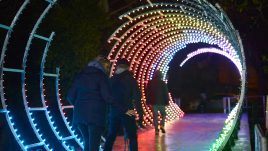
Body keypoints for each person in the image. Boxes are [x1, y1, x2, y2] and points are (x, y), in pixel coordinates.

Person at [67, 56, 118, 151]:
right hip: (95, 116)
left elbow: (70, 96)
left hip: (80, 116)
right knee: (94, 145)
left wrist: (79, 106)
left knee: (87, 142)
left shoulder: (80, 76)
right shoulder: (101, 76)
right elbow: (107, 97)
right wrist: (119, 105)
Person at [104, 58, 143, 151]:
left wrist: (107, 113)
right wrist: (140, 115)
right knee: (132, 137)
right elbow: (137, 99)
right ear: (128, 67)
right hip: (128, 111)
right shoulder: (131, 80)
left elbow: (107, 97)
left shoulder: (111, 80)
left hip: (114, 111)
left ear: (117, 67)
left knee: (111, 136)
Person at [146, 70, 169, 135]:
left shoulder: (150, 82)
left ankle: (156, 130)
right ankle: (162, 125)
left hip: (153, 102)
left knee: (155, 116)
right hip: (161, 102)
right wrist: (167, 102)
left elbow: (148, 93)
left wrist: (148, 102)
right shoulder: (163, 83)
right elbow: (165, 93)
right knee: (163, 114)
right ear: (161, 75)